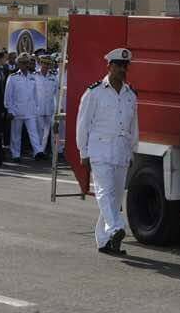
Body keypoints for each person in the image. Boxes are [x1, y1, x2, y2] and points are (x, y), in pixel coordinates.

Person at [76, 48, 138, 255]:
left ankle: (104, 241)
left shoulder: (130, 94)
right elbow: (82, 124)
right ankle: (116, 228)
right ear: (109, 66)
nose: (123, 69)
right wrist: (83, 151)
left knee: (115, 196)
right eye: (119, 65)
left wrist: (132, 151)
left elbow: (133, 126)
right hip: (99, 149)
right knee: (104, 191)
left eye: (125, 66)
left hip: (121, 151)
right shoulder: (94, 92)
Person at [4, 53, 41, 162]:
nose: (25, 64)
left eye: (27, 62)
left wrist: (36, 108)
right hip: (17, 110)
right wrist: (9, 109)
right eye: (22, 62)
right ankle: (16, 154)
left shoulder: (33, 77)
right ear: (18, 64)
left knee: (33, 132)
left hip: (30, 110)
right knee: (16, 134)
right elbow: (8, 95)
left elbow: (36, 95)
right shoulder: (13, 77)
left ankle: (37, 152)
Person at [34, 55, 58, 156]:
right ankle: (39, 151)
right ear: (40, 63)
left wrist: (57, 107)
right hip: (38, 107)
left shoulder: (53, 76)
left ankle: (47, 151)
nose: (46, 65)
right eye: (44, 63)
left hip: (50, 107)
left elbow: (56, 93)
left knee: (49, 131)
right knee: (39, 131)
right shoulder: (34, 75)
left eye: (48, 64)